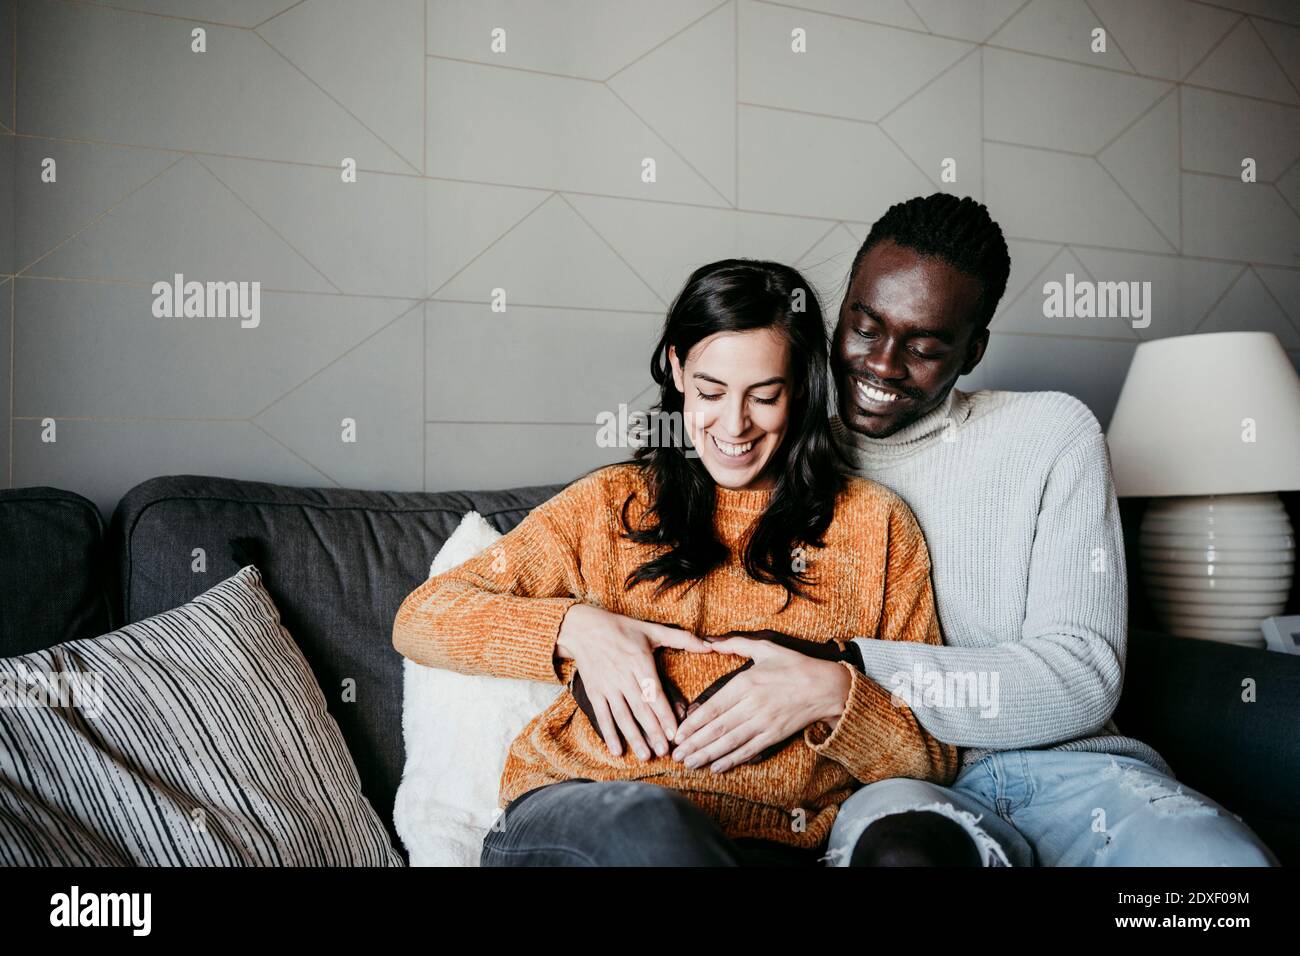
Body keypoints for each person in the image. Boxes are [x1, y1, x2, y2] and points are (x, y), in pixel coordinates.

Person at [392, 258, 963, 866]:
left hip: (769, 846)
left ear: (799, 386)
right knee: (656, 831)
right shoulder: (612, 503)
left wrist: (833, 692)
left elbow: (934, 754)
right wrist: (576, 628)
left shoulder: (875, 526)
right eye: (711, 391)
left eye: (764, 395)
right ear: (676, 369)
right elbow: (422, 617)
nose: (733, 424)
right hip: (586, 816)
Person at [819, 193, 1279, 867]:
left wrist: (853, 670)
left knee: (1223, 878)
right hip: (900, 781)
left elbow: (1080, 675)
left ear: (972, 351)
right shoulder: (791, 459)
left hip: (1077, 774)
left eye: (924, 347)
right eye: (864, 329)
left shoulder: (1052, 434)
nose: (884, 366)